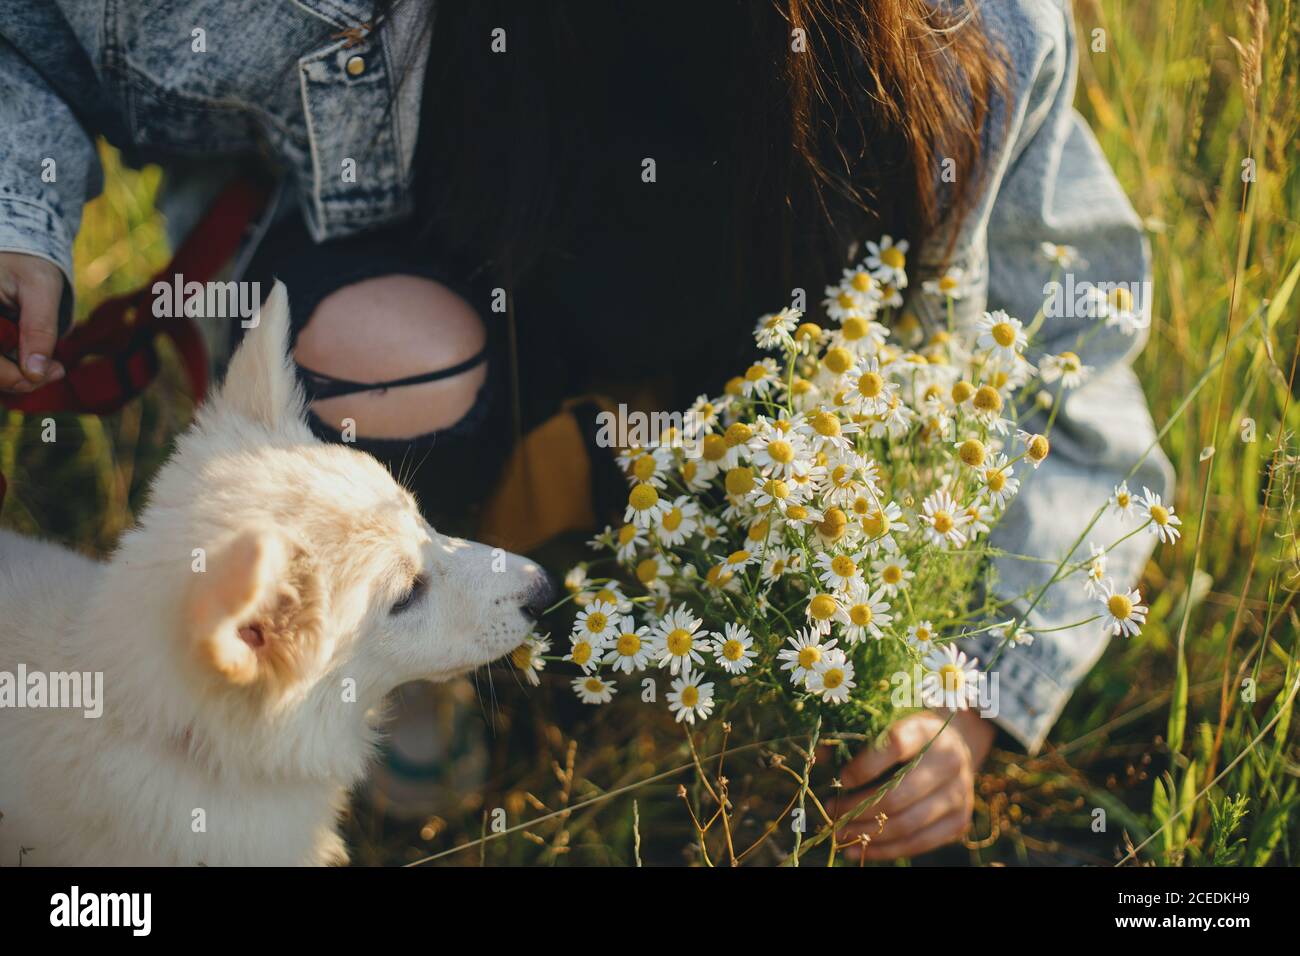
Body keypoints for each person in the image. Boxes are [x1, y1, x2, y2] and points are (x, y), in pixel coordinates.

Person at [0, 0, 1172, 859]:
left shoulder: (977, 34)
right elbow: (29, 37)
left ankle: (680, 639)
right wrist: (21, 223)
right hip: (434, 337)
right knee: (383, 354)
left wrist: (966, 691)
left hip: (744, 439)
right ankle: (402, 668)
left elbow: (1080, 385)